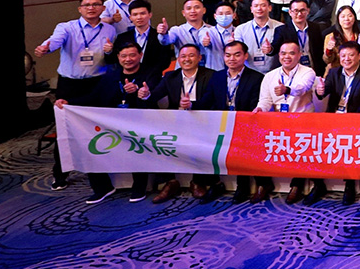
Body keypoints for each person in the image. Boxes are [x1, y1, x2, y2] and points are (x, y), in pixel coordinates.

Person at [53, 41, 160, 204]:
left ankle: (139, 187)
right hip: (110, 125)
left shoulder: (150, 73)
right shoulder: (110, 76)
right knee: (88, 143)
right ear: (118, 57)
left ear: (140, 55)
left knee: (136, 144)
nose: (128, 59)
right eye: (124, 56)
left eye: (132, 55)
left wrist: (140, 91)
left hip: (139, 123)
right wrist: (69, 102)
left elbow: (152, 92)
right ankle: (102, 188)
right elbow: (93, 97)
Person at [195, 40, 269, 203]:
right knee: (206, 146)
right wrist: (190, 105)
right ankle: (215, 184)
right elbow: (208, 100)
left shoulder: (256, 78)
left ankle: (243, 187)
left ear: (245, 56)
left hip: (245, 124)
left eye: (237, 55)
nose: (232, 59)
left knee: (243, 150)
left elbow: (255, 104)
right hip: (221, 124)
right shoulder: (217, 76)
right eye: (228, 55)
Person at [314, 40, 360, 205]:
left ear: (359, 56)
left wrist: (353, 117)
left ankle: (349, 185)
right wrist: (320, 91)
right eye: (343, 55)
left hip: (356, 119)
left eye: (351, 55)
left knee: (349, 146)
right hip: (334, 117)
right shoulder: (334, 72)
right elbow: (324, 93)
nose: (347, 59)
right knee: (315, 143)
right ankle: (318, 185)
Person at [257, 42, 325, 204]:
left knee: (304, 149)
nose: (286, 57)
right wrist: (260, 109)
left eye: (291, 53)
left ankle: (297, 186)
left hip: (303, 121)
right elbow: (265, 100)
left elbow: (302, 88)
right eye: (283, 53)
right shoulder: (270, 76)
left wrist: (287, 90)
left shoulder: (307, 72)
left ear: (299, 55)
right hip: (279, 122)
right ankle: (263, 184)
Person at [149, 43, 216, 202]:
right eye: (183, 56)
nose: (187, 59)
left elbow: (212, 101)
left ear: (199, 58)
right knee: (158, 139)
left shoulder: (211, 75)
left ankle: (197, 181)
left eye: (191, 55)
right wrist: (145, 95)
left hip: (202, 120)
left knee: (200, 142)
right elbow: (154, 96)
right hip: (176, 121)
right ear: (178, 59)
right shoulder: (170, 76)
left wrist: (192, 105)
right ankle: (170, 182)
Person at [111, 0, 171, 81]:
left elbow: (165, 61)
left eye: (142, 13)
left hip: (152, 79)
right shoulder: (122, 37)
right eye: (135, 14)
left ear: (150, 15)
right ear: (130, 17)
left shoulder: (159, 36)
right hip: (127, 79)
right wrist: (108, 51)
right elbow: (114, 59)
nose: (139, 17)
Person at [158, 0, 224, 69]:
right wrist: (164, 34)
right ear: (183, 13)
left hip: (209, 70)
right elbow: (165, 41)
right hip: (185, 70)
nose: (193, 11)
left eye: (197, 7)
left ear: (204, 10)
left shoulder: (214, 30)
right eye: (189, 8)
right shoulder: (177, 30)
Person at [270, 0, 325, 74]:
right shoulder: (282, 30)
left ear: (308, 11)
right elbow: (275, 48)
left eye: (302, 10)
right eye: (296, 11)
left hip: (313, 69)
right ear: (290, 12)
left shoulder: (315, 27)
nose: (299, 14)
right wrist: (270, 49)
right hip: (292, 70)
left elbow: (319, 50)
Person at [233, 0, 282, 73]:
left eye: (263, 5)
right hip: (248, 73)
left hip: (274, 73)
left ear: (270, 8)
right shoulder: (241, 29)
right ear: (251, 9)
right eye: (256, 6)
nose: (259, 8)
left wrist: (271, 49)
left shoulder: (281, 27)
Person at [323, 5, 360, 71]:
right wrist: (329, 50)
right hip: (336, 72)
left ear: (354, 18)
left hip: (357, 71)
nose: (346, 19)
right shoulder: (331, 36)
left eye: (350, 16)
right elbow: (327, 61)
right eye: (343, 16)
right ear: (338, 19)